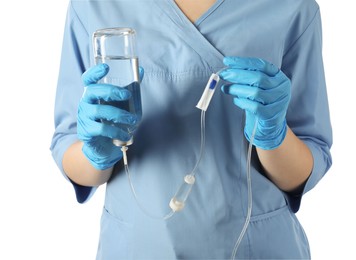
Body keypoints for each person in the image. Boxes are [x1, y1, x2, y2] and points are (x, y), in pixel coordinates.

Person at [50, 0, 333, 259]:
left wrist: (274, 136)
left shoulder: (291, 7)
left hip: (256, 248)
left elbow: (307, 162)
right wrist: (96, 153)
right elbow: (70, 151)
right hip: (139, 247)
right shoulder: (94, 6)